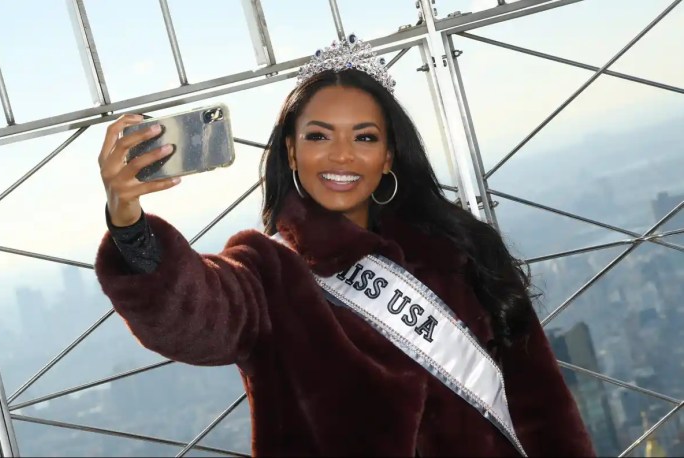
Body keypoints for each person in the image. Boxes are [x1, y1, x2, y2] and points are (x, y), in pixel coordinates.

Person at [95, 35, 595, 457]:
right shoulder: (268, 273)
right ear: (291, 149)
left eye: (364, 137)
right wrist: (128, 221)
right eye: (318, 136)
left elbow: (544, 407)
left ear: (388, 154)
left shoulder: (461, 248)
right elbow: (193, 316)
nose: (341, 155)